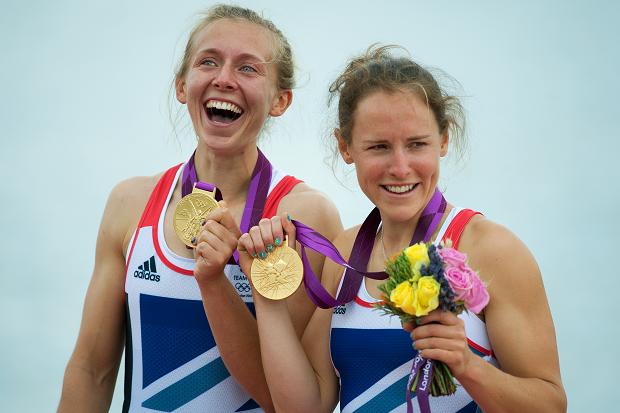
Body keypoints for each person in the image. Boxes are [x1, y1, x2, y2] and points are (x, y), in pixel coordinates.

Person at [237, 45, 567, 412]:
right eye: (379, 147)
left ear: (443, 139)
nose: (399, 166)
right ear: (346, 147)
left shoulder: (492, 249)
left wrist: (467, 365)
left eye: (416, 145)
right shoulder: (345, 254)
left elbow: (550, 404)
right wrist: (266, 296)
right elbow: (306, 406)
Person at [57, 4, 341, 412]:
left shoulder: (305, 215)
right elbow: (91, 371)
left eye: (248, 68)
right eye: (208, 62)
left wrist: (216, 283)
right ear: (181, 85)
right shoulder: (130, 203)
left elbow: (286, 400)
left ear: (280, 100)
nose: (224, 79)